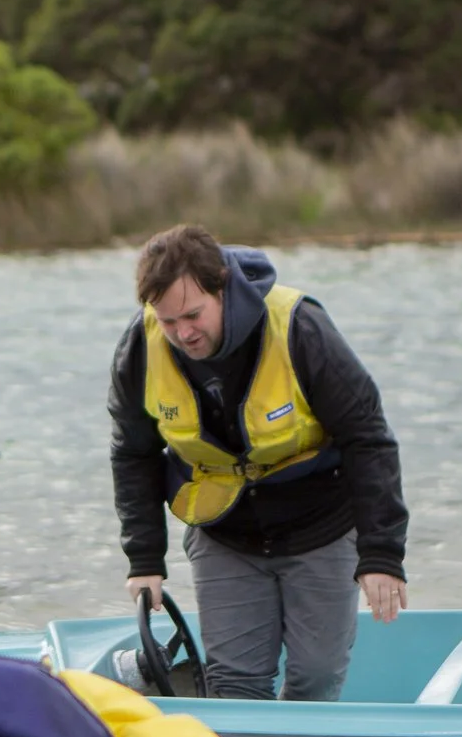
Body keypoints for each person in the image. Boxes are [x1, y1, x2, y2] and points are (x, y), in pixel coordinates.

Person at [108, 225, 408, 700]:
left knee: (317, 677)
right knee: (235, 683)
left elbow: (368, 437)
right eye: (168, 321)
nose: (183, 333)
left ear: (223, 288)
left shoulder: (300, 327)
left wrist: (381, 556)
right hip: (225, 532)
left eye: (193, 314)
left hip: (322, 526)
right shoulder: (140, 347)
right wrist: (144, 559)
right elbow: (133, 453)